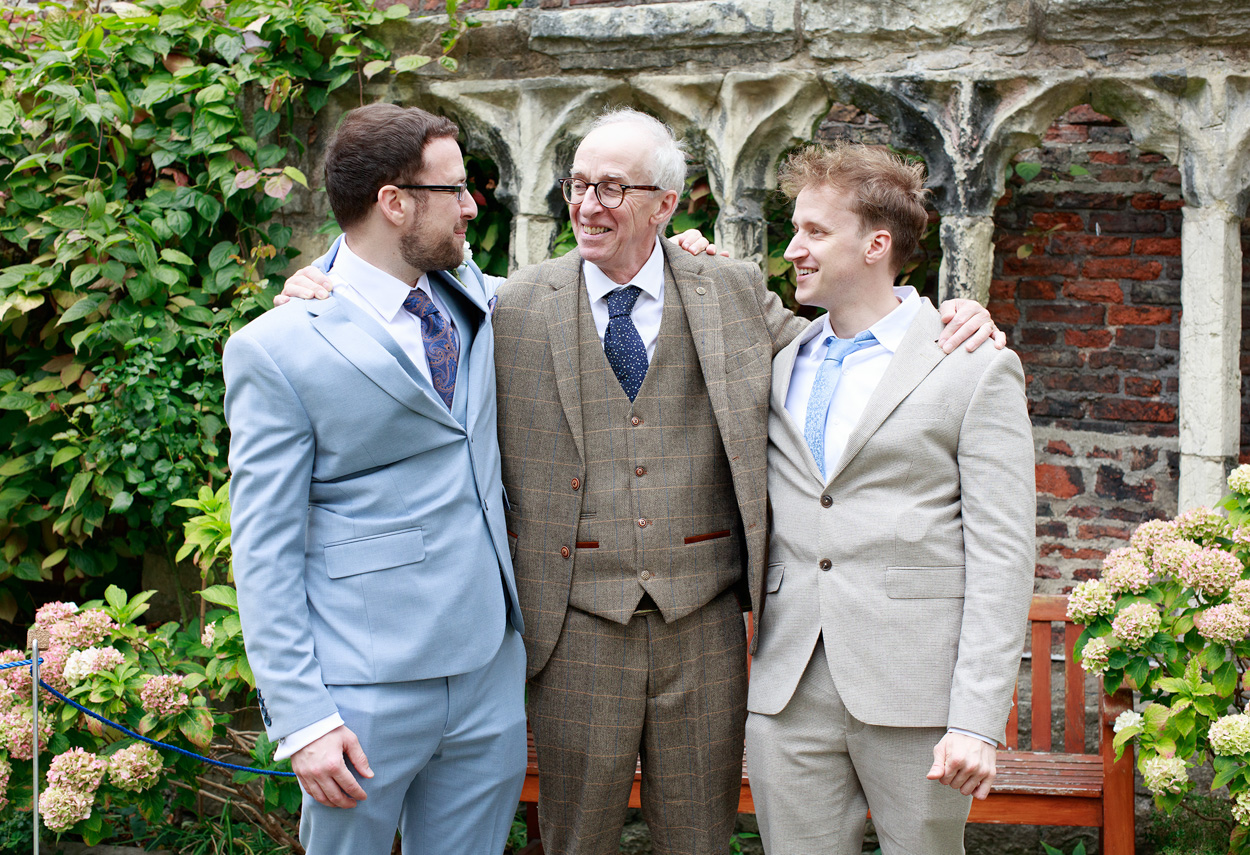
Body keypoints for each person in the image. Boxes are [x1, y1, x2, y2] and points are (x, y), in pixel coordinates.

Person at [281, 107, 1001, 855]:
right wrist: (322, 278)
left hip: (706, 628)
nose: (588, 204)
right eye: (578, 184)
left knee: (698, 837)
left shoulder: (732, 293)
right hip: (575, 629)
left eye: (612, 188)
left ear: (666, 204)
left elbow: (844, 345)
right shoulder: (510, 305)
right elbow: (395, 295)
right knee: (574, 839)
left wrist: (949, 318)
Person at [223, 103, 527, 855]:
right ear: (394, 202)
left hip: (490, 671)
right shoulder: (277, 348)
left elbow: (588, 291)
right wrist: (304, 717)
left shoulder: (482, 299)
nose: (470, 206)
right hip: (363, 692)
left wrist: (680, 250)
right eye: (454, 189)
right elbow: (263, 548)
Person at [746, 142, 1035, 854]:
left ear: (877, 244)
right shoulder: (781, 359)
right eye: (794, 230)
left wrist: (975, 719)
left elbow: (1003, 556)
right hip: (788, 690)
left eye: (814, 231)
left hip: (918, 695)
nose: (793, 250)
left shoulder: (972, 363)